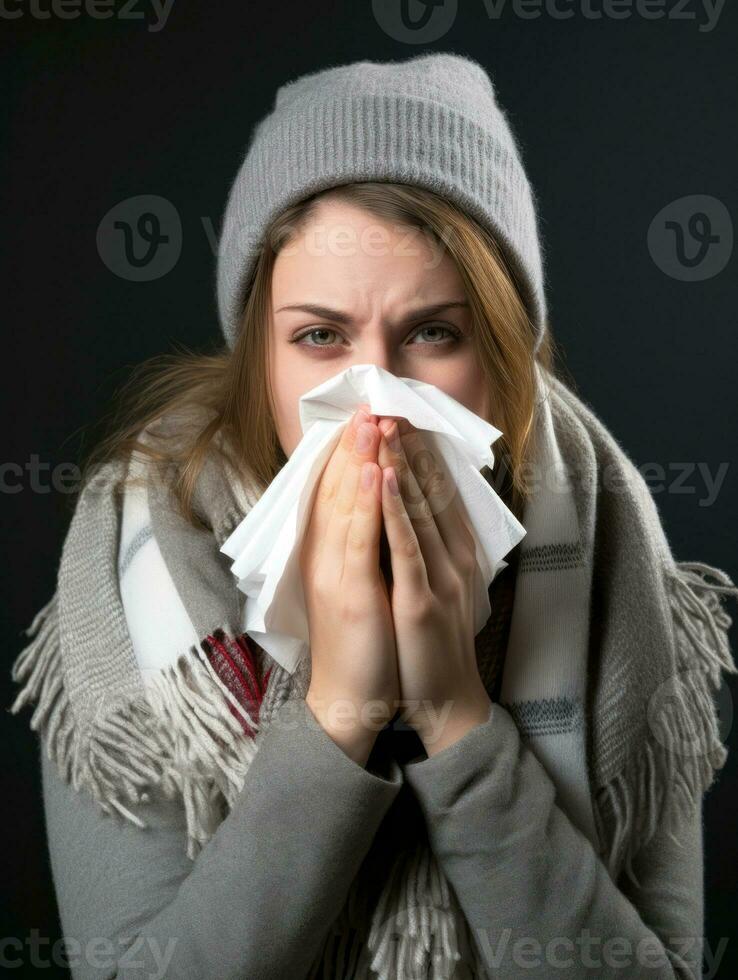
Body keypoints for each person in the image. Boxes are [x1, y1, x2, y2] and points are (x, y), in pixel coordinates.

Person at [9, 53, 737, 980]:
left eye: (435, 332)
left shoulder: (621, 569)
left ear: (508, 354)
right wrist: (337, 709)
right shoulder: (138, 574)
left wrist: (456, 717)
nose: (378, 404)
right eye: (320, 337)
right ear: (258, 361)